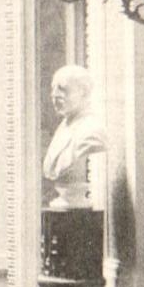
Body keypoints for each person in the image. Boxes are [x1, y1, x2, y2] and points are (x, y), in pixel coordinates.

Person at [43, 64, 107, 208]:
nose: (54, 94)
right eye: (53, 88)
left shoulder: (92, 130)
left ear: (84, 92)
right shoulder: (64, 127)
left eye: (63, 89)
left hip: (78, 205)